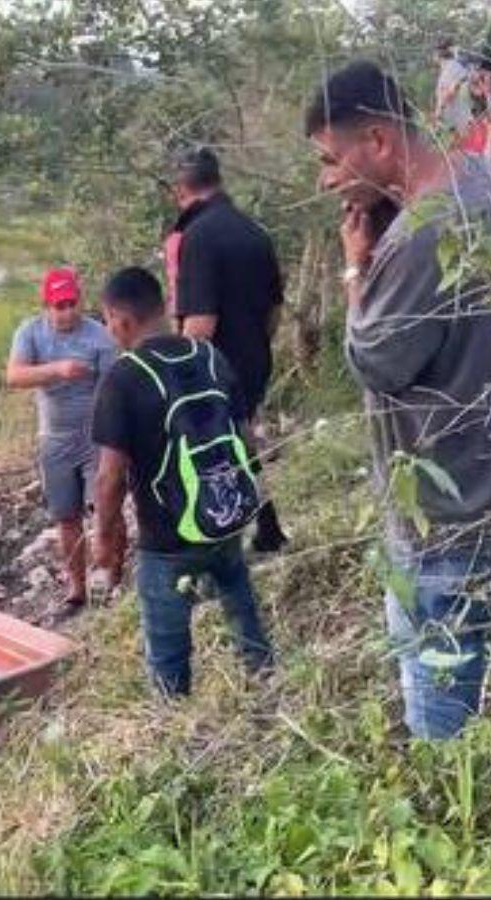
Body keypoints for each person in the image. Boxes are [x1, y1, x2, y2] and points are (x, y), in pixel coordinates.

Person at [305, 60, 491, 739]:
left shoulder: (419, 235)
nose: (327, 180)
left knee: (439, 711)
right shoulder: (479, 182)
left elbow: (375, 361)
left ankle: (448, 826)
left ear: (378, 142)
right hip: (481, 489)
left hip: (441, 519)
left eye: (331, 159)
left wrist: (356, 265)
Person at [92, 268, 274, 697]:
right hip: (225, 513)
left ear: (119, 318)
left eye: (106, 320)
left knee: (167, 644)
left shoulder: (123, 377)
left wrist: (105, 538)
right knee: (241, 607)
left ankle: (174, 716)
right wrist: (249, 498)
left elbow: (109, 477)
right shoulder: (209, 356)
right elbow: (245, 436)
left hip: (167, 540)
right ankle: (267, 683)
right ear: (162, 307)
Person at [165, 146, 289, 555]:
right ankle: (268, 528)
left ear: (181, 189)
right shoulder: (253, 230)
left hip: (215, 370)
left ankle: (214, 545)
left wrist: (177, 377)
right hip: (253, 360)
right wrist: (254, 346)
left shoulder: (197, 237)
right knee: (244, 442)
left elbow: (200, 324)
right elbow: (274, 310)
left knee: (209, 456)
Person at [6, 266, 117, 614]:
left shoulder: (99, 336)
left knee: (104, 508)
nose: (67, 312)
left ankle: (113, 574)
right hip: (54, 438)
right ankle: (77, 587)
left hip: (94, 435)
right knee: (65, 515)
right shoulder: (30, 332)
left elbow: (113, 387)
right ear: (46, 306)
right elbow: (14, 375)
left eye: (71, 303)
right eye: (59, 306)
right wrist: (57, 369)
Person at [435, 40, 474, 138]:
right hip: (463, 122)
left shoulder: (449, 70)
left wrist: (438, 115)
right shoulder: (458, 67)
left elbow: (448, 93)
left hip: (458, 123)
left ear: (437, 55)